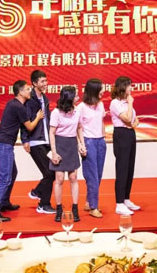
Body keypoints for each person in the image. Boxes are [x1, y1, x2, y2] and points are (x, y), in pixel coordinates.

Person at [0, 80, 44, 222]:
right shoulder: (18, 107)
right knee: (5, 178)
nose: (30, 91)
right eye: (27, 89)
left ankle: (4, 202)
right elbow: (29, 127)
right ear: (20, 92)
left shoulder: (13, 104)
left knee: (12, 173)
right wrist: (38, 117)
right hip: (4, 145)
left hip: (3, 144)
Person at [50, 86, 86, 222]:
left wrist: (81, 144)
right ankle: (59, 208)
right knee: (59, 178)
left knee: (73, 177)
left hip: (71, 144)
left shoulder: (77, 111)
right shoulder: (56, 112)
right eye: (75, 95)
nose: (78, 97)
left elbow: (79, 128)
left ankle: (75, 208)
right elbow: (51, 133)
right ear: (69, 97)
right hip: (59, 144)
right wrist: (54, 152)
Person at [22, 70, 56, 215]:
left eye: (46, 80)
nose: (45, 83)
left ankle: (37, 192)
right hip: (35, 140)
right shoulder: (30, 100)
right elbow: (24, 120)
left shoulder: (45, 98)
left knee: (51, 172)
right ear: (34, 83)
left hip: (46, 140)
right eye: (42, 81)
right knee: (49, 173)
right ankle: (43, 204)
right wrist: (25, 140)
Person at [110, 76, 140, 216]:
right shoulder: (115, 103)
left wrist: (134, 123)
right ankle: (119, 203)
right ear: (123, 87)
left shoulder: (127, 102)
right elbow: (127, 118)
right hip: (121, 134)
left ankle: (126, 198)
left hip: (130, 133)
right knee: (122, 168)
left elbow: (135, 119)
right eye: (129, 86)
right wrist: (130, 103)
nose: (131, 88)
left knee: (130, 167)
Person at [78, 78, 106, 218]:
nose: (103, 91)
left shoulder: (101, 104)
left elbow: (101, 121)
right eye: (101, 89)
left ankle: (89, 201)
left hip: (100, 141)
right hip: (88, 142)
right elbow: (77, 128)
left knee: (98, 175)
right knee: (92, 175)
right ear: (94, 90)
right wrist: (81, 144)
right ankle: (94, 207)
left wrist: (103, 137)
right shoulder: (81, 107)